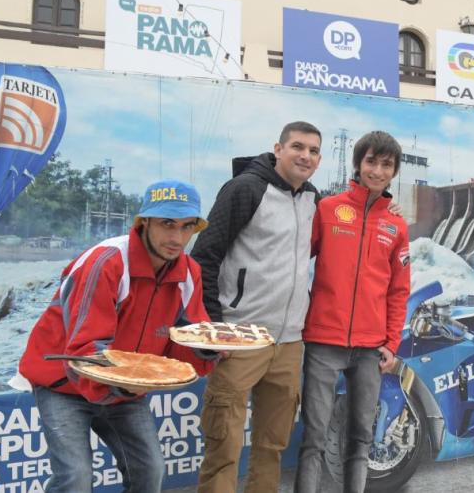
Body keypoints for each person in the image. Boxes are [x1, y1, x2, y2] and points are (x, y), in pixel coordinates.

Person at [18, 179, 217, 492]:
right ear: (144, 222)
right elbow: (85, 349)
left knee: (149, 471)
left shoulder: (189, 272)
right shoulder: (107, 262)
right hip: (62, 382)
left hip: (125, 389)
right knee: (75, 477)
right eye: (167, 224)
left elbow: (184, 343)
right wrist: (125, 382)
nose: (177, 238)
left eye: (187, 226)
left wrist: (206, 350)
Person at [192, 121, 322, 493]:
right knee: (224, 445)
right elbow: (204, 257)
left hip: (289, 342)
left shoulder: (312, 199)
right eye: (297, 147)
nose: (305, 156)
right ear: (278, 149)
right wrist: (215, 329)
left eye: (313, 151)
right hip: (241, 336)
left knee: (272, 446)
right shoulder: (245, 189)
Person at [295, 131, 411, 493]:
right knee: (314, 437)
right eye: (371, 161)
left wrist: (391, 343)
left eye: (386, 165)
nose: (377, 171)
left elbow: (398, 290)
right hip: (323, 343)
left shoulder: (397, 225)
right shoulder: (328, 209)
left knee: (360, 438)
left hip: (370, 350)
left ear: (394, 171)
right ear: (358, 164)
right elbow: (295, 261)